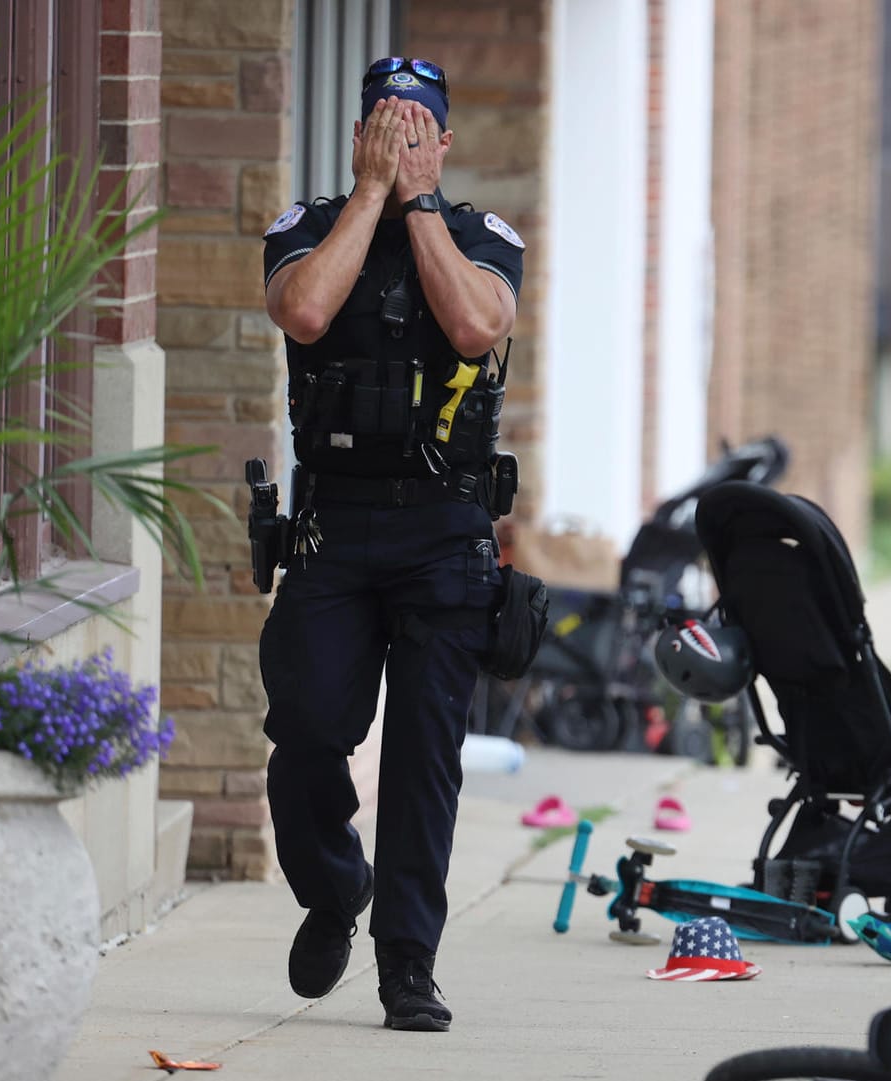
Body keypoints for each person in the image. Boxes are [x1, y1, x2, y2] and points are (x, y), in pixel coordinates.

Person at [258, 57, 523, 1033]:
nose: (403, 139)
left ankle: (408, 964)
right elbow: (306, 312)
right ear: (362, 134)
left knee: (424, 759)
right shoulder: (305, 227)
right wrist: (372, 194)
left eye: (419, 129)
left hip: (444, 532)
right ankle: (335, 890)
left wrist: (414, 204)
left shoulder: (480, 238)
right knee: (307, 732)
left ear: (444, 142)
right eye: (386, 125)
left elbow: (470, 324)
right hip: (335, 525)